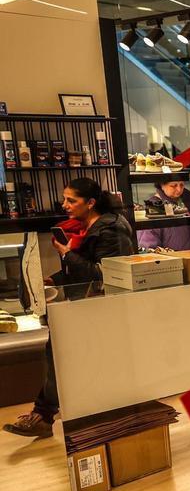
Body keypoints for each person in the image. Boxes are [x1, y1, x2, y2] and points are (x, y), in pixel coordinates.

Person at [3, 178, 135, 438]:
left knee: (61, 355)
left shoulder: (111, 230)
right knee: (59, 355)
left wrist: (66, 253)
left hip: (100, 310)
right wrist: (57, 279)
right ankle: (47, 415)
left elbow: (103, 275)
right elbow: (85, 269)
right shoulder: (89, 226)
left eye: (71, 200)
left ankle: (47, 415)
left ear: (91, 202)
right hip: (82, 307)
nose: (65, 205)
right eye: (64, 198)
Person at [137, 179, 190, 251]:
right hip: (174, 259)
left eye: (182, 185)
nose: (179, 189)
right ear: (162, 185)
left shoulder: (189, 201)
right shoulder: (153, 210)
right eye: (174, 186)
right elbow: (149, 247)